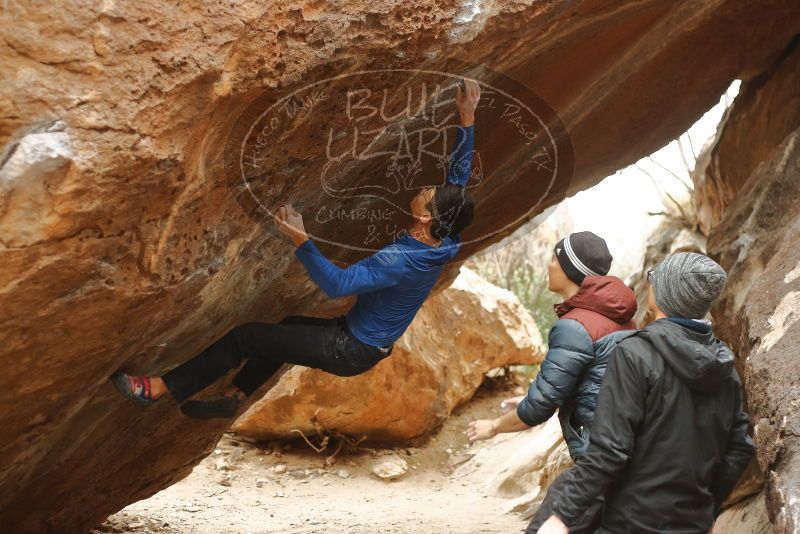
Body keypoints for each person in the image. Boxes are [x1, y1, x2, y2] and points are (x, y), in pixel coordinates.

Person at [111, 78, 482, 419]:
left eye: (427, 195)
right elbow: (457, 181)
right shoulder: (446, 238)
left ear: (425, 219)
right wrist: (466, 119)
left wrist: (300, 239)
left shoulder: (400, 260)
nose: (423, 189)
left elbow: (337, 285)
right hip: (360, 342)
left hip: (348, 348)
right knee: (286, 329)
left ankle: (159, 388)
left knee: (247, 337)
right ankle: (235, 397)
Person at [537, 252, 755, 534]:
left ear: (665, 293)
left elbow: (609, 450)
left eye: (654, 275)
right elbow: (740, 447)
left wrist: (562, 516)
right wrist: (708, 507)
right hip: (692, 524)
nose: (649, 280)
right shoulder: (725, 364)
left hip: (630, 522)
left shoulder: (635, 354)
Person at [466, 231, 637, 532]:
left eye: (554, 258)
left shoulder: (575, 326)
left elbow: (538, 409)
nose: (548, 265)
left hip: (596, 462)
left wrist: (492, 426)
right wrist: (532, 396)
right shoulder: (618, 318)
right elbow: (592, 380)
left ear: (570, 269)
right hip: (625, 454)